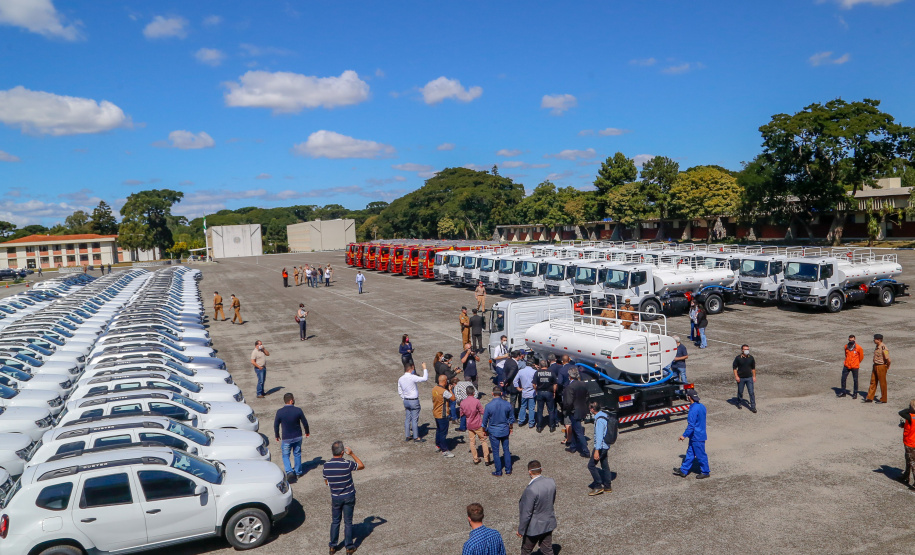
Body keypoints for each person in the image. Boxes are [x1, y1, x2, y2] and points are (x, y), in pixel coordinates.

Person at [323, 441, 364, 555]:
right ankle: (349, 547)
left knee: (335, 521)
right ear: (342, 452)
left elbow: (326, 482)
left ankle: (332, 546)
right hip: (348, 496)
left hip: (336, 497)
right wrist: (352, 454)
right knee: (348, 522)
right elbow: (361, 465)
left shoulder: (326, 465)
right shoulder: (347, 464)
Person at [517, 460, 557, 555]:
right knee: (547, 550)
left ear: (529, 472)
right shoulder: (551, 482)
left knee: (526, 550)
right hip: (548, 522)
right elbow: (551, 500)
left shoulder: (531, 489)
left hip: (534, 527)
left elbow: (526, 513)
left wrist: (521, 529)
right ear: (541, 469)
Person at [673, 389, 709, 479]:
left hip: (696, 436)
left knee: (701, 455)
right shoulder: (702, 406)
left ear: (689, 397)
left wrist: (684, 435)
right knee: (690, 453)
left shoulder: (693, 409)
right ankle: (683, 470)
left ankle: (705, 472)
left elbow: (691, 425)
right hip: (699, 434)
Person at [274, 392, 310, 480]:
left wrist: (277, 435)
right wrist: (307, 432)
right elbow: (305, 423)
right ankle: (298, 472)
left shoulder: (280, 412)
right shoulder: (298, 410)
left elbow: (276, 425)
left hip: (286, 438)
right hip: (297, 437)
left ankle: (289, 471)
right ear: (291, 401)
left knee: (285, 455)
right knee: (297, 454)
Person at [482, 386, 515, 476]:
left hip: (493, 431)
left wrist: (484, 430)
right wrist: (510, 428)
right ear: (501, 393)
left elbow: (484, 421)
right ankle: (508, 470)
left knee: (496, 452)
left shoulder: (488, 406)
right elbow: (511, 419)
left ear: (492, 394)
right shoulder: (507, 404)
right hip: (504, 429)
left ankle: (498, 471)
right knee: (506, 450)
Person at [588, 401, 616, 495]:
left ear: (592, 409)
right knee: (604, 465)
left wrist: (597, 450)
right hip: (606, 445)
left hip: (601, 447)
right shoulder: (604, 415)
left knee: (591, 466)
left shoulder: (599, 420)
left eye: (590, 408)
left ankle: (598, 486)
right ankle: (607, 486)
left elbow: (599, 437)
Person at [460, 385, 492, 465]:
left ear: (466, 393)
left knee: (472, 442)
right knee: (483, 441)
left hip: (469, 425)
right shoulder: (477, 401)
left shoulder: (463, 402)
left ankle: (475, 459)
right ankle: (486, 459)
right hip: (478, 424)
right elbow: (482, 411)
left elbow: (461, 414)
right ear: (473, 393)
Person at [398, 361, 428, 442]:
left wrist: (404, 398)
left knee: (407, 418)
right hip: (414, 401)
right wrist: (424, 368)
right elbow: (425, 378)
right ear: (411, 368)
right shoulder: (412, 377)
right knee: (414, 419)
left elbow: (400, 391)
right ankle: (416, 437)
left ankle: (407, 435)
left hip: (406, 401)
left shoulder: (400, 378)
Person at [564, 369, 590, 457]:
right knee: (575, 429)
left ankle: (586, 451)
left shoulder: (570, 387)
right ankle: (573, 446)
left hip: (574, 411)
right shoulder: (583, 384)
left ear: (570, 376)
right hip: (582, 409)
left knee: (579, 432)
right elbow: (587, 396)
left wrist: (567, 410)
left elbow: (569, 402)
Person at [432, 374, 456, 457]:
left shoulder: (434, 388)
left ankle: (438, 445)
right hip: (443, 414)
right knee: (443, 433)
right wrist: (450, 390)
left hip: (436, 412)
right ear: (445, 381)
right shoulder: (444, 392)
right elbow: (453, 398)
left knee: (438, 430)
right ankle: (444, 450)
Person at [865, 334, 891, 404]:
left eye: (875, 339)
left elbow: (888, 359)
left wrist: (887, 366)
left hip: (881, 366)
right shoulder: (877, 346)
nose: (874, 340)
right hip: (875, 365)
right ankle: (870, 397)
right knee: (873, 382)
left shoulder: (883, 348)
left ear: (879, 340)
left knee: (882, 383)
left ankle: (883, 399)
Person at [534, 359, 557, 433]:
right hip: (549, 392)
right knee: (551, 410)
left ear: (540, 365)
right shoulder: (551, 372)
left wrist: (536, 390)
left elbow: (534, 384)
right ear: (547, 365)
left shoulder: (537, 373)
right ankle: (552, 426)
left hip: (540, 392)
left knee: (540, 410)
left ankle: (539, 427)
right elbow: (555, 384)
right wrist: (554, 392)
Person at [513, 356, 537, 428]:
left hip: (524, 391)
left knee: (523, 406)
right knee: (531, 408)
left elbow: (515, 381)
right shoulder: (534, 372)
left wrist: (518, 388)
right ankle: (531, 423)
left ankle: (521, 420)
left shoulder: (521, 371)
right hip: (532, 392)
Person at [733, 344, 757, 413]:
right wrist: (736, 376)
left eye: (748, 349)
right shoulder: (738, 358)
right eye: (745, 349)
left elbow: (753, 368)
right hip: (741, 378)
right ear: (742, 350)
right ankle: (739, 402)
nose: (747, 351)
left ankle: (753, 406)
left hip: (749, 378)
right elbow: (734, 368)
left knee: (751, 392)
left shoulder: (751, 358)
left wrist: (754, 376)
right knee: (740, 392)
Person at [839, 334, 864, 399]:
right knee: (843, 378)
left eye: (852, 340)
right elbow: (846, 354)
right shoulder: (846, 346)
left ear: (854, 339)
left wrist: (857, 362)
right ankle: (843, 392)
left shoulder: (858, 348)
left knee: (855, 380)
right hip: (847, 365)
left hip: (854, 366)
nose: (851, 341)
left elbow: (861, 357)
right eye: (850, 340)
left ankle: (855, 393)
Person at [898, 399, 915, 488]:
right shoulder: (911, 418)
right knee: (908, 460)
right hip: (912, 442)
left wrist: (910, 410)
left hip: (910, 443)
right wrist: (904, 425)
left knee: (912, 462)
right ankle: (905, 476)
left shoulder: (911, 417)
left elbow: (901, 412)